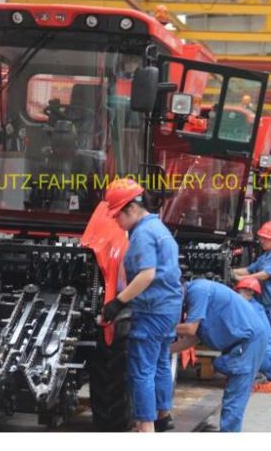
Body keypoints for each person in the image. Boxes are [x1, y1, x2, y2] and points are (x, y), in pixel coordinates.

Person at [99, 178, 182, 433]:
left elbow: (146, 274)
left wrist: (116, 303)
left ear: (131, 209)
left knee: (141, 369)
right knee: (159, 363)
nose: (115, 222)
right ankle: (162, 415)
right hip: (168, 307)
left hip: (152, 309)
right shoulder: (158, 227)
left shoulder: (143, 234)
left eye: (116, 216)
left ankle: (145, 427)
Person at [171, 279, 266, 432]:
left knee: (233, 399)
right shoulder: (195, 296)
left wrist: (158, 326)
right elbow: (193, 339)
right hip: (239, 343)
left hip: (247, 344)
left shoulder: (198, 291)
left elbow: (190, 329)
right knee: (231, 392)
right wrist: (167, 351)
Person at [232, 221, 271, 392]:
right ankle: (270, 373)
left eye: (265, 239)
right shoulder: (265, 257)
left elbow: (264, 275)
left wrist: (240, 280)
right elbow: (250, 270)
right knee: (267, 341)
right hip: (266, 306)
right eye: (262, 238)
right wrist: (231, 270)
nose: (262, 241)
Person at [234, 276, 271, 377]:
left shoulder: (248, 309)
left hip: (262, 358)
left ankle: (251, 373)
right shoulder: (257, 307)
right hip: (267, 357)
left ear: (250, 292)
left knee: (220, 363)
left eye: (240, 291)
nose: (238, 294)